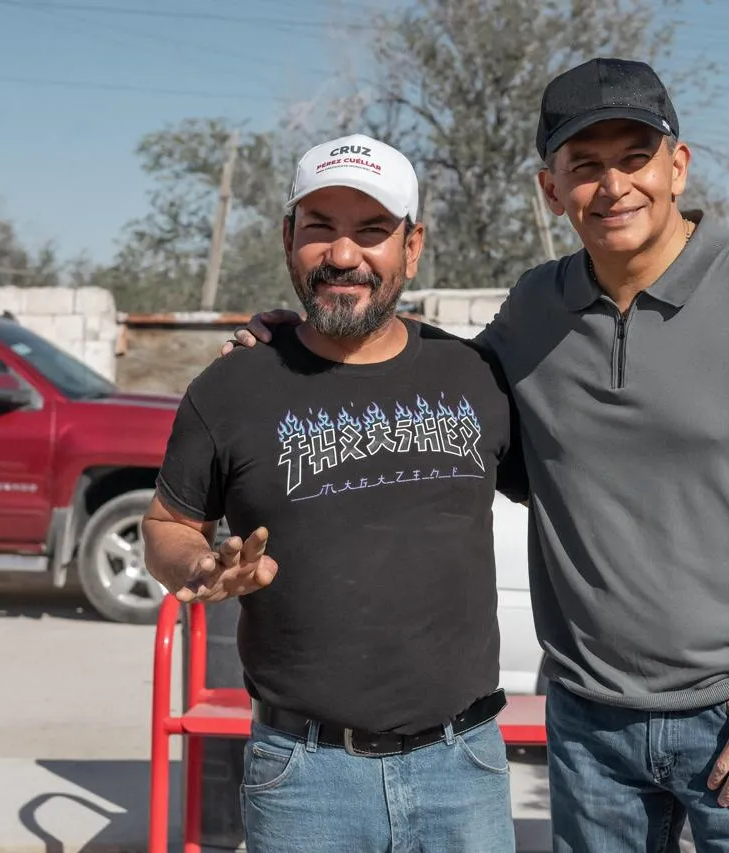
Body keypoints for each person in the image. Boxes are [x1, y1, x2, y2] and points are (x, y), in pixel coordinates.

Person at [226, 57, 729, 853]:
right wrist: (311, 337)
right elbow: (445, 405)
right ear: (551, 189)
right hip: (589, 726)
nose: (612, 186)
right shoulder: (536, 306)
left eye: (634, 157)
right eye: (585, 165)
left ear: (677, 167)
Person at [144, 133, 528, 853]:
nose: (344, 255)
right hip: (303, 778)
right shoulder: (230, 386)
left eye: (372, 231)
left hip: (463, 770)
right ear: (288, 239)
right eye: (320, 228)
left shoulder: (473, 377)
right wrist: (198, 567)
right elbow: (166, 522)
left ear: (412, 247)